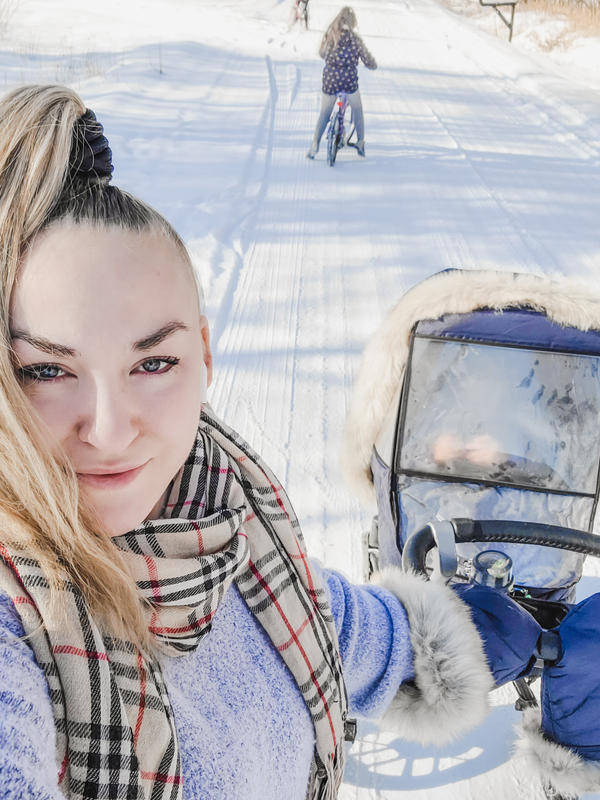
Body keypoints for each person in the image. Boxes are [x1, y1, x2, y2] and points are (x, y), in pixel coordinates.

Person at [0, 85, 543, 800]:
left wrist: (484, 635)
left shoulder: (224, 513)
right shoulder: (18, 624)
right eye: (46, 370)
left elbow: (325, 619)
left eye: (153, 363)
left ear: (204, 358)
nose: (108, 429)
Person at [307, 6, 377, 160]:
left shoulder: (330, 35)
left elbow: (321, 53)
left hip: (330, 81)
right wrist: (373, 64)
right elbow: (367, 59)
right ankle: (360, 143)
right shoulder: (356, 39)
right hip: (349, 83)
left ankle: (314, 144)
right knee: (357, 109)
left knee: (325, 113)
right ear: (353, 22)